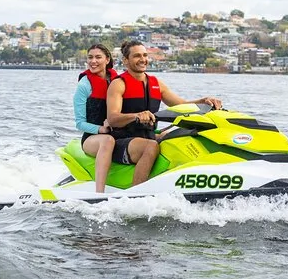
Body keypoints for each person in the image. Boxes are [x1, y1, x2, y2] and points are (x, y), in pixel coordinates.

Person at [106, 40, 222, 186]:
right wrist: (136, 116)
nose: (142, 59)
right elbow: (112, 118)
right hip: (122, 141)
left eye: (145, 55)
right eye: (137, 56)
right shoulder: (118, 84)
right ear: (125, 60)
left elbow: (181, 105)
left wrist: (203, 101)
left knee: (181, 136)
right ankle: (137, 192)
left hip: (148, 135)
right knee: (151, 146)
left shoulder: (156, 83)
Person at [73, 44, 119, 193]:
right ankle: (99, 194)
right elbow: (80, 123)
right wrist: (100, 129)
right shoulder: (84, 85)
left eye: (98, 57)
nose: (93, 61)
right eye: (90, 57)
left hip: (118, 132)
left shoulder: (117, 81)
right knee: (107, 140)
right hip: (92, 138)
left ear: (107, 59)